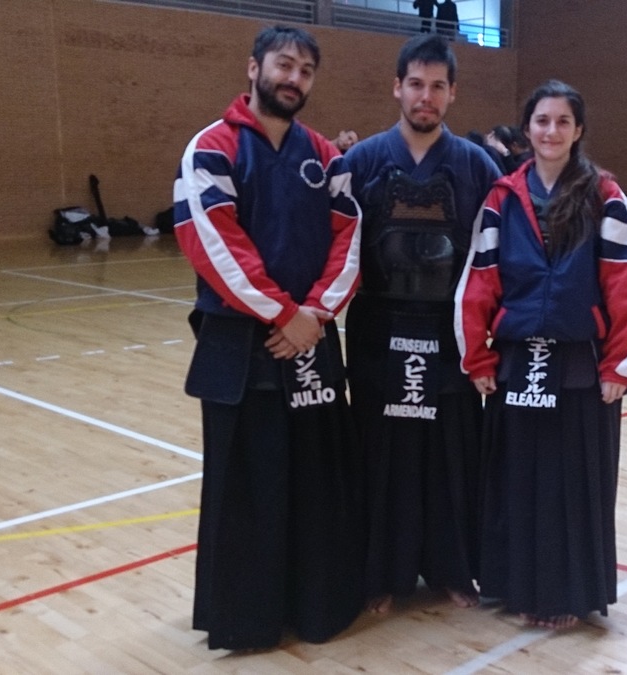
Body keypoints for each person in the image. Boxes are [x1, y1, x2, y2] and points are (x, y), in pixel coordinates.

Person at [173, 25, 364, 651]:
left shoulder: (327, 158)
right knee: (248, 488)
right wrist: (285, 316)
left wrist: (315, 313)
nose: (294, 79)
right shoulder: (212, 148)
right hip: (243, 348)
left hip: (312, 341)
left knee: (314, 481)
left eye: (306, 71)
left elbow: (350, 241)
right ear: (254, 68)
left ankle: (316, 609)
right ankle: (248, 620)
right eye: (284, 65)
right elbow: (213, 242)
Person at [456, 79, 627, 629]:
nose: (551, 131)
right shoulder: (502, 198)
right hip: (516, 362)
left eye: (563, 121)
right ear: (528, 128)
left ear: (578, 129)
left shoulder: (605, 195)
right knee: (518, 481)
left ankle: (567, 595)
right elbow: (478, 281)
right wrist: (478, 358)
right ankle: (517, 586)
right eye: (542, 120)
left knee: (573, 484)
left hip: (580, 366)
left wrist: (619, 366)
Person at [343, 33, 501, 615]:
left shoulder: (478, 167)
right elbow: (334, 250)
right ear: (397, 88)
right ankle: (381, 574)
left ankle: (452, 569)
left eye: (437, 86)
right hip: (378, 328)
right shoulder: (359, 163)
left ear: (452, 93)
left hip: (449, 332)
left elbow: (496, 257)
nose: (425, 96)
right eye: (416, 84)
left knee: (449, 453)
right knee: (381, 453)